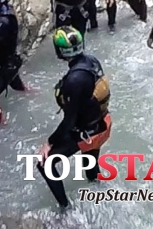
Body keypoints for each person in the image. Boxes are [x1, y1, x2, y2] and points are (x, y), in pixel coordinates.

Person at [37, 26, 112, 209]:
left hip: (86, 133)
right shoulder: (91, 61)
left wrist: (49, 142)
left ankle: (65, 209)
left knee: (44, 163)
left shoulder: (74, 80)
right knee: (91, 169)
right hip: (102, 125)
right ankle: (102, 192)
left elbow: (69, 122)